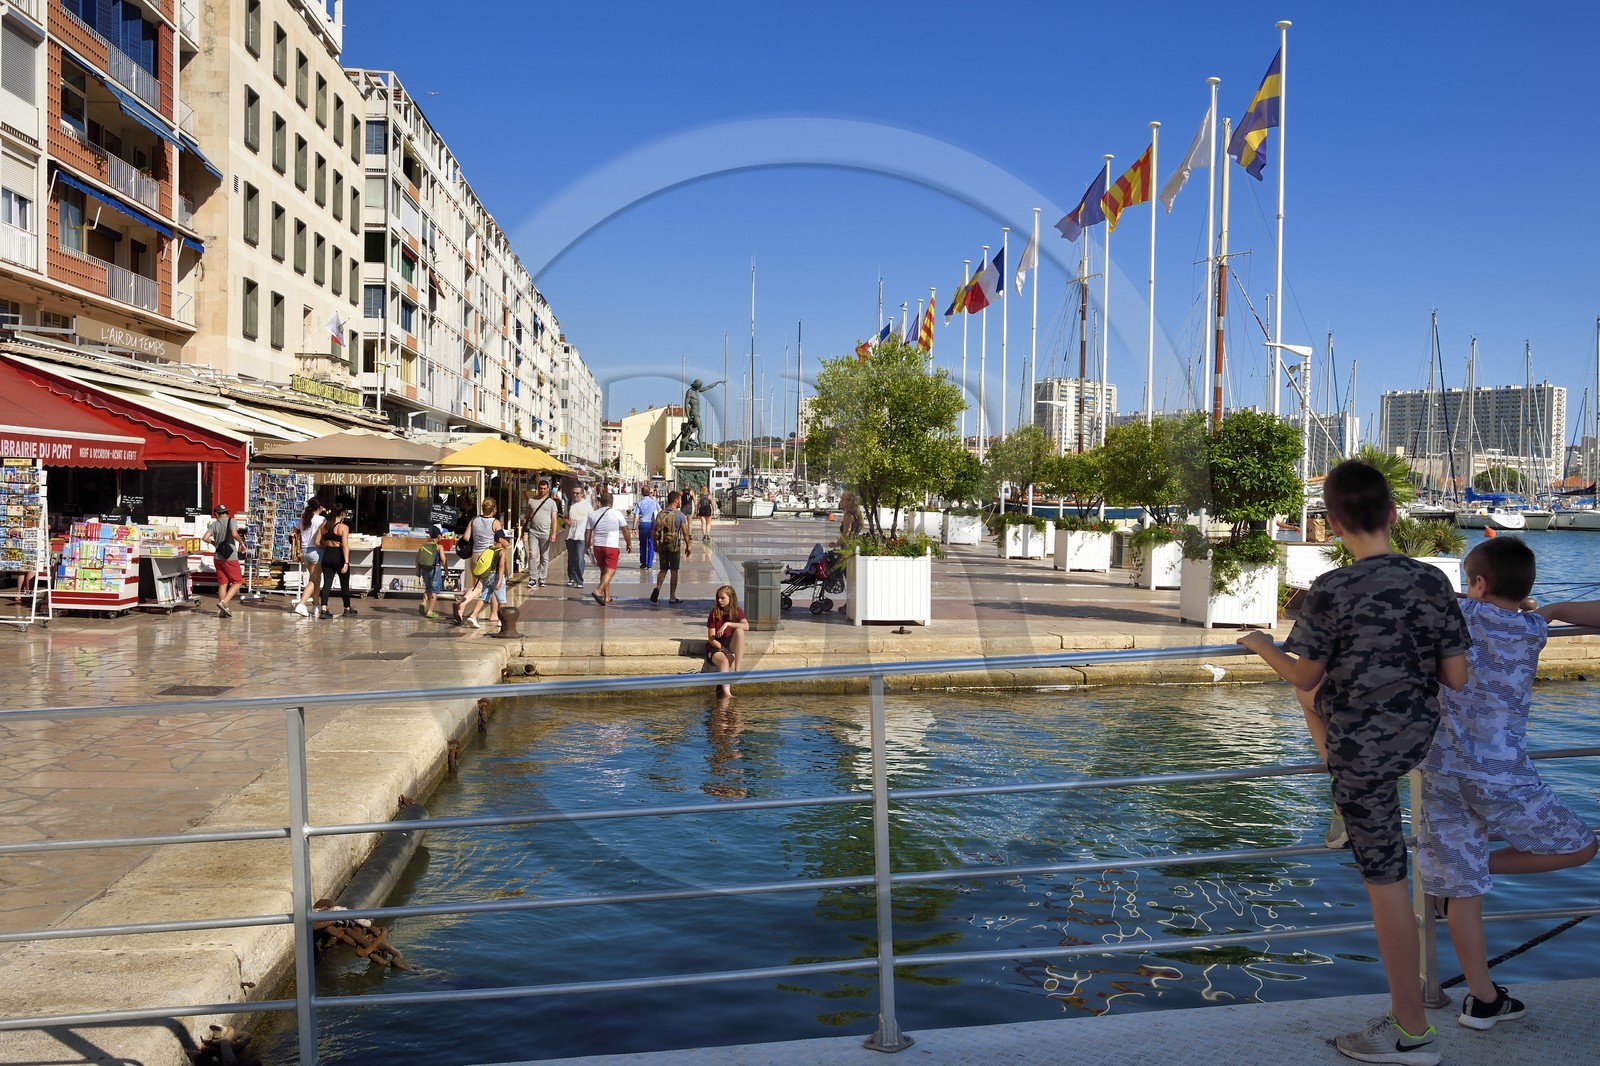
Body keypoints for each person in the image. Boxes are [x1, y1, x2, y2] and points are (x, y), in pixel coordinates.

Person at [1236, 459, 1469, 1066]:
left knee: (1387, 886)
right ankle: (1344, 807)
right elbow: (1457, 677)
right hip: (1415, 737)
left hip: (1360, 754)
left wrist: (1262, 644)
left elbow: (1303, 673)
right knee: (1375, 810)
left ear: (1333, 525)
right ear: (1392, 513)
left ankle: (1411, 1033)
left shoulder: (1331, 589)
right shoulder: (1432, 581)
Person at [1416, 538, 1597, 1032]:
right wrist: (1553, 609)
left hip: (1443, 770)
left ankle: (1483, 995)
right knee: (1581, 847)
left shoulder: (1455, 615)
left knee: (1463, 884)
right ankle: (1482, 1000)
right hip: (1504, 775)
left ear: (1477, 583)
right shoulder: (1532, 627)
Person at [584, 490, 631, 606]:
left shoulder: (593, 514)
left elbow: (588, 531)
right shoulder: (617, 513)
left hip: (597, 546)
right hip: (611, 546)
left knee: (604, 571)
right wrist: (629, 543)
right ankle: (598, 591)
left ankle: (607, 597)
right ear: (612, 503)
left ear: (600, 502)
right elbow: (625, 530)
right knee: (611, 571)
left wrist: (587, 546)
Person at [461, 528, 513, 629]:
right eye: (507, 539)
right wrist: (500, 580)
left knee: (484, 597)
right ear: (500, 539)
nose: (509, 542)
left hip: (488, 576)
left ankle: (473, 616)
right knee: (502, 600)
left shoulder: (489, 549)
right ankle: (502, 620)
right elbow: (501, 566)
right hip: (497, 577)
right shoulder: (502, 551)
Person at [201, 503, 246, 618]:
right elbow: (234, 534)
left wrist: (214, 543)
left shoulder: (214, 524)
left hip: (218, 557)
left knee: (223, 583)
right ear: (227, 513)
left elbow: (205, 538)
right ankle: (224, 603)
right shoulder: (232, 521)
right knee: (238, 582)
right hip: (230, 557)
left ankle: (222, 611)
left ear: (216, 514)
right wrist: (241, 543)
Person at [705, 584, 749, 698]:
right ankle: (727, 693)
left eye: (722, 598)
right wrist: (726, 651)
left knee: (740, 631)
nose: (719, 600)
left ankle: (737, 670)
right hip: (716, 647)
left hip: (730, 644)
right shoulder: (714, 613)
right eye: (718, 598)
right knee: (724, 661)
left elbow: (746, 626)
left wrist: (728, 624)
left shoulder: (737, 611)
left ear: (731, 598)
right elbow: (711, 639)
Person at [459, 499, 502, 609]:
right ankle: (462, 605)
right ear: (494, 509)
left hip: (475, 555)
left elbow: (466, 537)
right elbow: (501, 540)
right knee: (489, 585)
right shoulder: (495, 522)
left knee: (476, 585)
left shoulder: (474, 520)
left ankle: (461, 606)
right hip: (487, 557)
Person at [649, 490, 689, 605]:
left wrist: (655, 544)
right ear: (676, 501)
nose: (680, 501)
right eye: (679, 500)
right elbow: (685, 533)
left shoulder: (661, 513)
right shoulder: (679, 515)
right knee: (674, 570)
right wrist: (688, 546)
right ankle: (672, 596)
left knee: (663, 569)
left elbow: (654, 530)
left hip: (662, 544)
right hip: (673, 545)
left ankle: (658, 587)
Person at [317, 504, 357, 618]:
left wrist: (326, 545)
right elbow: (345, 546)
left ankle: (323, 608)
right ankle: (347, 608)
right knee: (344, 584)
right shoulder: (343, 527)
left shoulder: (324, 526)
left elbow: (317, 541)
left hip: (327, 555)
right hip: (339, 556)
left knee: (327, 583)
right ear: (342, 513)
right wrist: (346, 562)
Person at [523, 480, 562, 588]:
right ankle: (532, 578)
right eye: (541, 488)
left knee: (544, 557)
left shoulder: (552, 503)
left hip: (545, 532)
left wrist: (554, 533)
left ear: (548, 489)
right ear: (538, 488)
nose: (542, 491)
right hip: (533, 532)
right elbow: (527, 516)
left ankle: (542, 578)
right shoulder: (531, 500)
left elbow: (554, 519)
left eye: (545, 489)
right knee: (532, 555)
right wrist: (523, 531)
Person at [292, 500, 325, 617]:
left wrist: (298, 550)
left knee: (315, 579)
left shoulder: (303, 518)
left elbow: (296, 533)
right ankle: (302, 604)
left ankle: (316, 605)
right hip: (317, 551)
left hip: (305, 551)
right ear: (319, 507)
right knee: (314, 580)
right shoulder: (321, 520)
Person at [565, 485, 592, 588]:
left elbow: (591, 520)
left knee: (580, 558)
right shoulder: (569, 503)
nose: (575, 495)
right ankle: (571, 578)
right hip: (570, 534)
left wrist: (591, 536)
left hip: (581, 535)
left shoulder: (587, 505)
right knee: (571, 558)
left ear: (582, 494)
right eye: (573, 493)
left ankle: (579, 580)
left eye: (577, 493)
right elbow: (565, 516)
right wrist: (566, 521)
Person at [416, 525, 445, 620]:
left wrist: (417, 569)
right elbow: (443, 560)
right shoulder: (439, 546)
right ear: (439, 536)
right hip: (435, 570)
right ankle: (430, 611)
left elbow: (417, 557)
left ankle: (424, 602)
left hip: (424, 570)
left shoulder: (424, 545)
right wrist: (446, 570)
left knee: (428, 588)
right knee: (434, 591)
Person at [633, 484, 660, 571]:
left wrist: (633, 528)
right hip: (652, 524)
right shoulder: (654, 502)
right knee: (651, 543)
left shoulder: (639, 503)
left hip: (643, 524)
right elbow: (660, 511)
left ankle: (643, 562)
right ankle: (650, 564)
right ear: (649, 492)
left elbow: (636, 516)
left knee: (643, 544)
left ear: (641, 493)